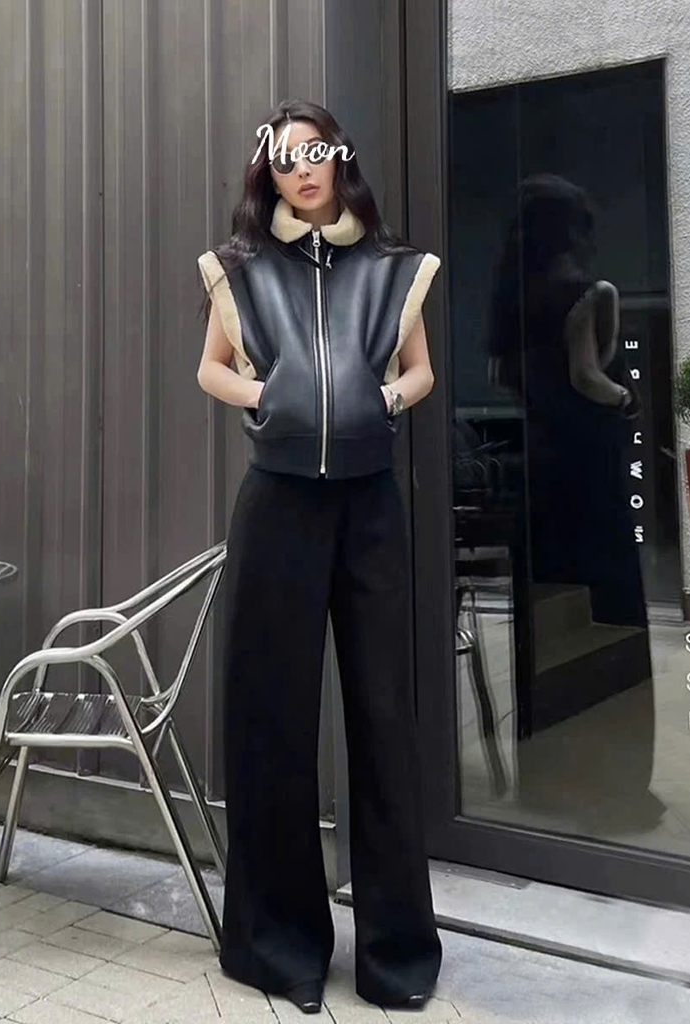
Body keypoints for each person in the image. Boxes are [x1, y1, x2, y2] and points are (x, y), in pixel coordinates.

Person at [196, 99, 442, 1014]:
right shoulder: (241, 268)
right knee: (273, 721)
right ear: (269, 174)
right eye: (285, 160)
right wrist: (264, 395)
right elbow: (209, 367)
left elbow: (419, 370)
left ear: (341, 160)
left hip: (370, 507)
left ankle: (397, 957)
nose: (303, 170)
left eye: (316, 154)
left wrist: (387, 402)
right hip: (278, 504)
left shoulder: (389, 268)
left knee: (383, 718)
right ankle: (280, 949)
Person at [488, 173, 664, 830]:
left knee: (549, 615)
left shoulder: (510, 303)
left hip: (541, 471)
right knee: (610, 606)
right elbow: (588, 376)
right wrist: (627, 398)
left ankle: (549, 780)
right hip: (589, 467)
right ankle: (615, 781)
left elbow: (508, 379)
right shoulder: (584, 292)